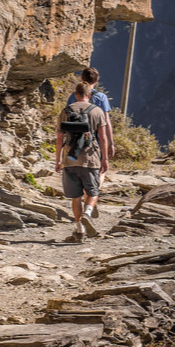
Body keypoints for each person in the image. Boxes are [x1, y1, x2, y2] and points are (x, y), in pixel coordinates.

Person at [55, 82, 109, 241]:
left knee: (76, 197)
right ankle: (87, 213)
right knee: (93, 193)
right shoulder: (97, 111)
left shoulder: (66, 111)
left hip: (69, 159)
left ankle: (80, 230)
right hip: (90, 158)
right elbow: (103, 138)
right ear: (89, 95)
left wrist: (58, 160)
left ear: (75, 94)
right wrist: (105, 159)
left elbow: (59, 138)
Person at [66, 67, 115, 160]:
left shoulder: (73, 96)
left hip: (73, 141)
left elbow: (66, 118)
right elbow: (106, 121)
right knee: (97, 171)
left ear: (81, 78)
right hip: (93, 144)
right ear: (96, 80)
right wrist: (111, 143)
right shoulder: (101, 97)